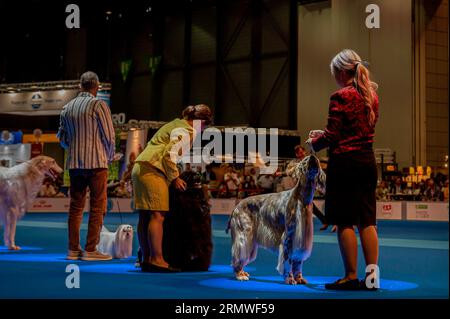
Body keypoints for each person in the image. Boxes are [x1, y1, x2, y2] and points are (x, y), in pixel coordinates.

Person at [306, 49, 379, 290]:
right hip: (367, 162)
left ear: (340, 72)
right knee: (367, 221)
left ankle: (350, 276)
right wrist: (326, 135)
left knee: (345, 221)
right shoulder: (372, 95)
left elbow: (334, 135)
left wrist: (315, 143)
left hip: (345, 165)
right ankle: (371, 279)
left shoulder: (340, 96)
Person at [132, 104, 212, 272]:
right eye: (205, 126)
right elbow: (170, 154)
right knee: (158, 216)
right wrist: (175, 177)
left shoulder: (175, 124)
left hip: (140, 167)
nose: (203, 130)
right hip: (153, 170)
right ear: (201, 122)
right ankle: (157, 259)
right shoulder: (189, 131)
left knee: (144, 216)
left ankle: (146, 258)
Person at [57, 71, 115, 261]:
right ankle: (90, 250)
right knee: (97, 207)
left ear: (80, 86)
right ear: (97, 86)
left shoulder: (66, 108)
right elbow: (109, 135)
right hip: (97, 163)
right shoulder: (98, 104)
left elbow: (62, 139)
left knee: (75, 208)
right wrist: (109, 156)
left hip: (74, 164)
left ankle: (73, 250)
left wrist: (75, 149)